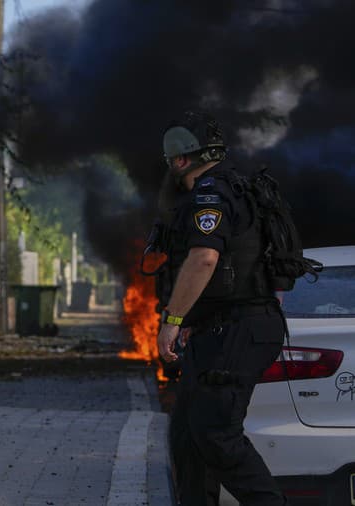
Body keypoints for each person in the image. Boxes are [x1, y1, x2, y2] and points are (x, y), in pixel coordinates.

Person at [155, 111, 287, 506]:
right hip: (221, 326)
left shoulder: (210, 194)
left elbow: (204, 260)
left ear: (180, 159)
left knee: (215, 434)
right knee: (188, 436)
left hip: (238, 328)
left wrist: (173, 320)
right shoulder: (240, 188)